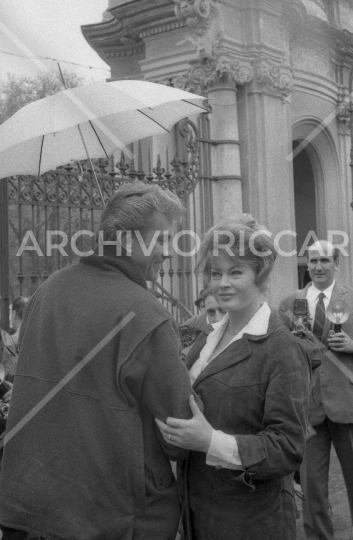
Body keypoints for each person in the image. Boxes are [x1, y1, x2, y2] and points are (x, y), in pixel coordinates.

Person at [0, 182, 197, 540]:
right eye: (162, 240)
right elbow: (179, 433)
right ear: (125, 241)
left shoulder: (49, 288)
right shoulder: (147, 314)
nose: (170, 252)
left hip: (29, 506)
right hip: (113, 515)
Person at [156, 216, 310, 540]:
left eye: (235, 271)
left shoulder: (282, 348)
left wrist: (210, 441)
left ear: (261, 277)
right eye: (216, 273)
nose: (222, 283)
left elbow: (287, 447)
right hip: (198, 516)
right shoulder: (205, 340)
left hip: (251, 524)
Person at [279, 240, 353, 540]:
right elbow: (279, 351)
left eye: (325, 260)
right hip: (307, 407)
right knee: (311, 488)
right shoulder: (289, 304)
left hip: (347, 404)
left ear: (336, 264)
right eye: (312, 261)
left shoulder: (350, 297)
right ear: (306, 265)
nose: (318, 267)